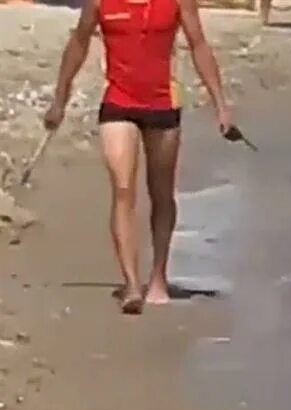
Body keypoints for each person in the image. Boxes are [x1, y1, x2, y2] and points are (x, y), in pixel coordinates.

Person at [44, 0, 233, 315]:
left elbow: (199, 45)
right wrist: (59, 101)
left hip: (163, 104)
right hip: (118, 103)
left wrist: (221, 105)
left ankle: (158, 277)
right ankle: (132, 283)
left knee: (161, 193)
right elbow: (78, 43)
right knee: (122, 189)